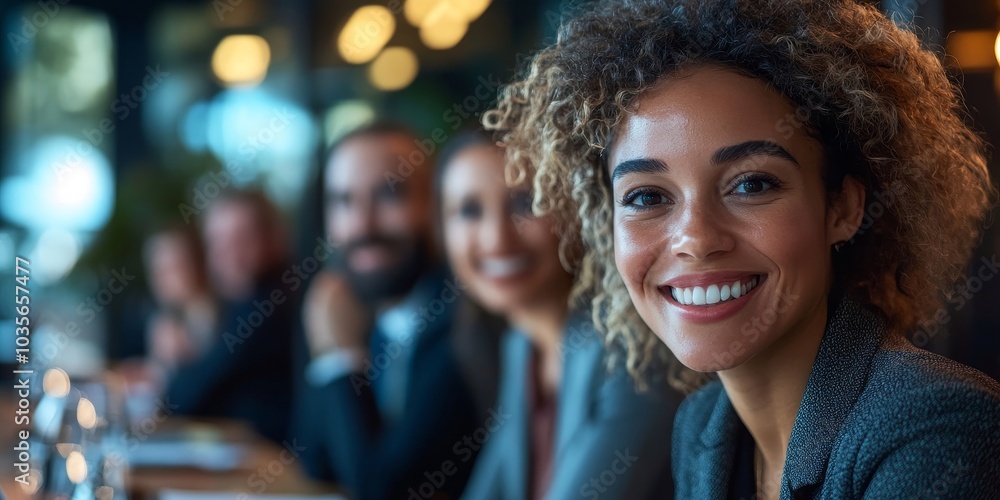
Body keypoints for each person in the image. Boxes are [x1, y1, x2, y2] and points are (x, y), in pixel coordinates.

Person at [485, 0, 1000, 498]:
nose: (696, 238)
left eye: (751, 185)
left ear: (842, 207)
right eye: (647, 196)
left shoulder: (939, 430)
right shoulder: (703, 427)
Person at [437, 131, 681, 499]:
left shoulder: (632, 348)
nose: (496, 238)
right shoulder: (521, 346)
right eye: (469, 210)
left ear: (577, 207)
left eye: (525, 202)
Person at [300, 122, 481, 500]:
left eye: (389, 195)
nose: (362, 225)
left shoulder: (462, 320)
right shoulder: (371, 319)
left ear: (436, 206)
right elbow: (314, 463)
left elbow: (385, 491)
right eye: (343, 202)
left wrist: (338, 358)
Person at [165, 189, 296, 444]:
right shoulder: (238, 304)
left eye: (243, 239)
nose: (228, 254)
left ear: (273, 240)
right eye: (218, 241)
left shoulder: (266, 308)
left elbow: (179, 401)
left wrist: (174, 361)